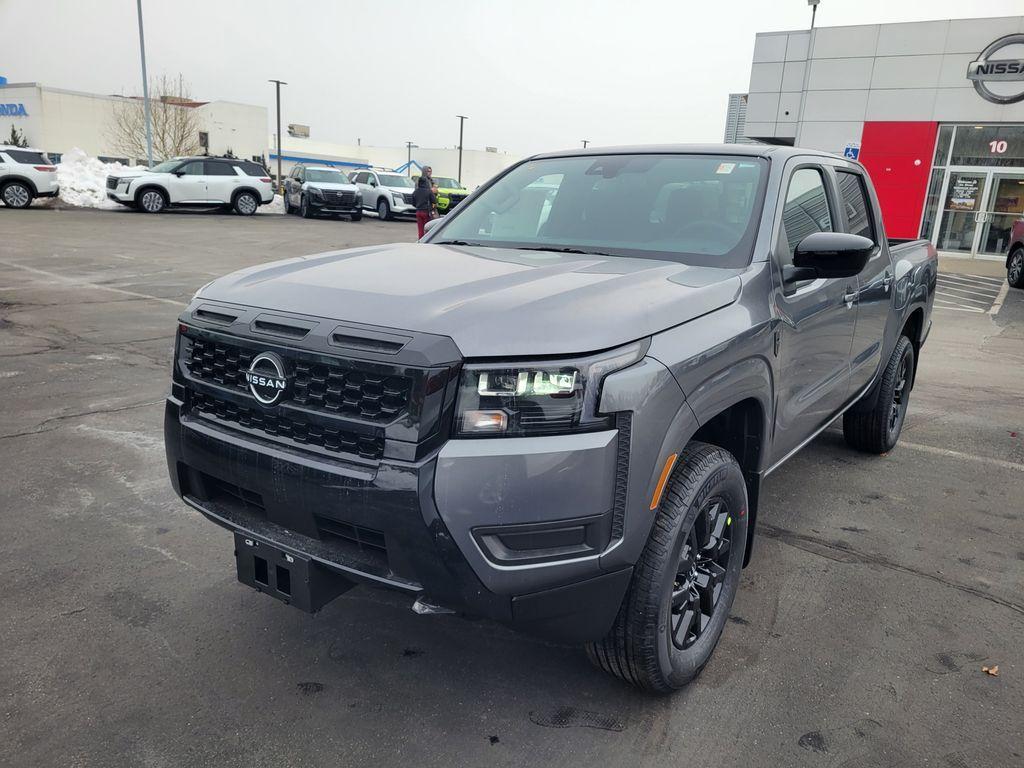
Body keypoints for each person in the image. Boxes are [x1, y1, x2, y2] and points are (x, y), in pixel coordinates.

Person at [413, 165, 436, 238]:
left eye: (430, 171)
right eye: (428, 171)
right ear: (424, 171)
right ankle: (425, 241)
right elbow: (434, 200)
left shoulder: (431, 181)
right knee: (427, 228)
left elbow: (414, 199)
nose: (430, 173)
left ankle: (422, 240)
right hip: (426, 210)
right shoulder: (420, 183)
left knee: (422, 228)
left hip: (420, 209)